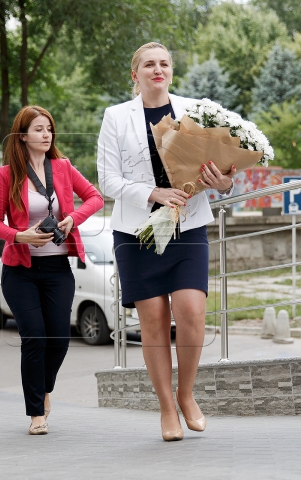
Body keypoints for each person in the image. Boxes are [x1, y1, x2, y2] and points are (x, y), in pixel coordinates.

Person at [97, 42, 236, 441]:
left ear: (171, 71)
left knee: (192, 313)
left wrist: (223, 182)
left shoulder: (196, 109)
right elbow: (107, 180)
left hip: (188, 226)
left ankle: (186, 394)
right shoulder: (116, 117)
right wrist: (153, 193)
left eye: (164, 64)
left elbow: (225, 172)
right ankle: (165, 409)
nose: (157, 70)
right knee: (154, 321)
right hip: (137, 232)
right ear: (134, 73)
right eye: (148, 65)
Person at [0, 106, 103, 435]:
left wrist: (72, 219)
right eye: (38, 129)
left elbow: (94, 198)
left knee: (60, 341)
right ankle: (36, 413)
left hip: (57, 267)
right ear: (22, 135)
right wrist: (19, 235)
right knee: (34, 338)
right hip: (20, 270)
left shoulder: (62, 167)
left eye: (49, 128)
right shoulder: (7, 174)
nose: (46, 134)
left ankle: (44, 389)